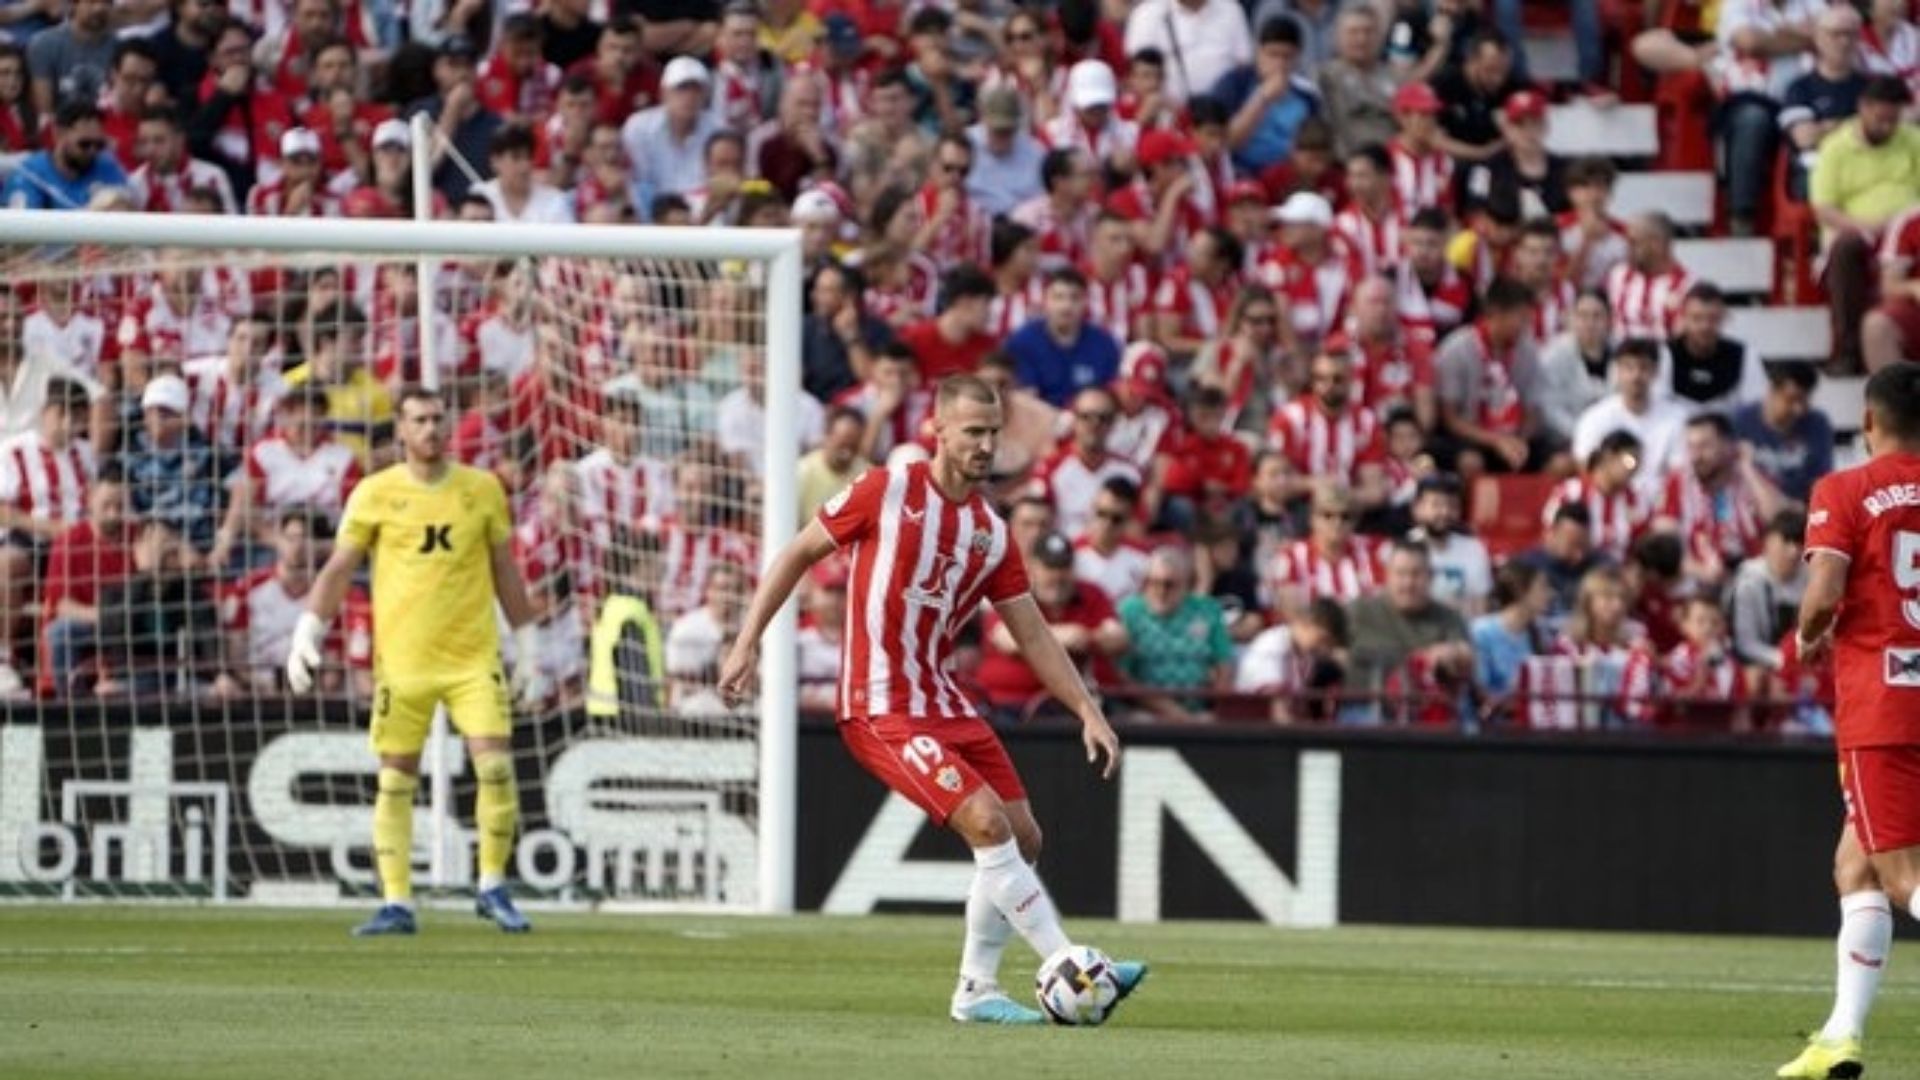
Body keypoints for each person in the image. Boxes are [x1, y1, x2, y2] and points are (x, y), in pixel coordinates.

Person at [717, 374, 1144, 1026]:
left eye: (994, 433)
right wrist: (747, 641)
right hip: (877, 705)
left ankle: (976, 991)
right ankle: (1073, 964)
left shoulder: (991, 532)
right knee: (987, 824)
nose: (985, 444)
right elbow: (798, 552)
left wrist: (1087, 708)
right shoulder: (886, 490)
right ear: (937, 431)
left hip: (942, 702)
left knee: (1024, 837)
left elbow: (1031, 631)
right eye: (973, 431)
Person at [284, 386, 547, 937]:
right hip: (402, 665)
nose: (431, 428)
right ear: (400, 430)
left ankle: (493, 885)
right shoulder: (375, 493)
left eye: (437, 418)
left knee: (495, 765)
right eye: (419, 420)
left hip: (472, 659)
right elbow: (338, 567)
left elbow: (505, 570)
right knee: (395, 778)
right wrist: (309, 629)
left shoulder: (481, 490)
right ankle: (398, 901)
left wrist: (528, 646)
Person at [1777, 362, 1920, 1079]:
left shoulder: (1846, 489)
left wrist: (1807, 635)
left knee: (1901, 876)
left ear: (1869, 422)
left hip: (1886, 705)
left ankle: (1841, 1034)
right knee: (1853, 863)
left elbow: (1823, 593)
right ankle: (1841, 1034)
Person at [976, 532, 1128, 722]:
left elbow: (1118, 637)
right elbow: (1007, 639)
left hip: (1078, 706)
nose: (1057, 576)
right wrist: (1067, 637)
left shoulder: (1091, 594)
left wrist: (1085, 637)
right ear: (1032, 567)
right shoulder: (1013, 594)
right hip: (1011, 706)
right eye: (1050, 567)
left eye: (1063, 567)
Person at [1116, 544, 1236, 723]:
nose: (1160, 591)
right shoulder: (1130, 611)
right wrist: (1168, 709)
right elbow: (1122, 675)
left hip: (1199, 711)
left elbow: (1224, 664)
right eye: (1153, 582)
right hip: (1143, 710)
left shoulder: (1207, 609)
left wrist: (1217, 706)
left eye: (1168, 584)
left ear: (1185, 585)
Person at [1732, 362, 1834, 505]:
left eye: (1804, 401)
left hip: (1800, 508)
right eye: (1791, 399)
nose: (1798, 409)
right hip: (1754, 506)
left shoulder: (1817, 423)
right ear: (1771, 391)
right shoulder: (1741, 421)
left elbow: (1821, 479)